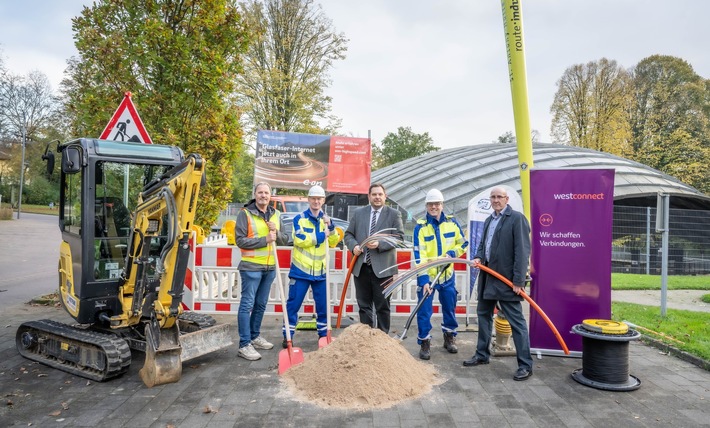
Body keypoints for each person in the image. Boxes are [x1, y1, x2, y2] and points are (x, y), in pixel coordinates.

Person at [463, 186, 534, 381]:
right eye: (493, 197)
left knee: (517, 322)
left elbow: (522, 251)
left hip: (507, 282)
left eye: (499, 197)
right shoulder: (488, 220)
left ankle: (525, 365)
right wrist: (478, 256)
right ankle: (482, 354)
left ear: (506, 199)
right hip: (487, 279)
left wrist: (518, 280)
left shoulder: (517, 219)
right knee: (483, 316)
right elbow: (482, 245)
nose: (495, 200)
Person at [235, 182, 288, 361]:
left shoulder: (277, 214)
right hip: (251, 267)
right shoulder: (245, 214)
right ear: (255, 194)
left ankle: (254, 336)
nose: (263, 195)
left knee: (260, 305)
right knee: (247, 305)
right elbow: (240, 240)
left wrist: (277, 233)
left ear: (270, 195)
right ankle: (244, 344)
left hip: (269, 267)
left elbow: (285, 239)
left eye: (266, 192)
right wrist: (265, 239)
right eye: (260, 192)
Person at [413, 189, 468, 360]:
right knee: (424, 311)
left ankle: (449, 337)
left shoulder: (452, 224)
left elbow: (463, 244)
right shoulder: (421, 228)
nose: (434, 207)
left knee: (449, 307)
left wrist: (452, 253)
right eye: (431, 204)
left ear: (442, 205)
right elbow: (419, 256)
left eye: (437, 204)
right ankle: (424, 342)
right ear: (426, 206)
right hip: (428, 277)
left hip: (447, 276)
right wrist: (423, 281)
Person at [283, 185, 341, 346]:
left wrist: (330, 228)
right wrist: (323, 234)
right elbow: (300, 240)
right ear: (308, 199)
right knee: (293, 305)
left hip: (320, 272)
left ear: (323, 201)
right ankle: (288, 335)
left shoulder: (326, 219)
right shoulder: (299, 219)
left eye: (319, 199)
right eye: (313, 198)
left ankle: (323, 336)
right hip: (301, 271)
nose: (316, 201)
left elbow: (334, 241)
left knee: (323, 307)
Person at [344, 183, 404, 333]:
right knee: (364, 306)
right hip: (362, 267)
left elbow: (399, 238)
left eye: (380, 194)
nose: (377, 197)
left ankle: (382, 341)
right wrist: (354, 246)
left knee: (382, 306)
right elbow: (348, 235)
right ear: (369, 196)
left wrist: (379, 244)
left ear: (385, 196)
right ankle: (367, 338)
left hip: (384, 269)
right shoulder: (359, 213)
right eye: (374, 194)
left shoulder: (393, 214)